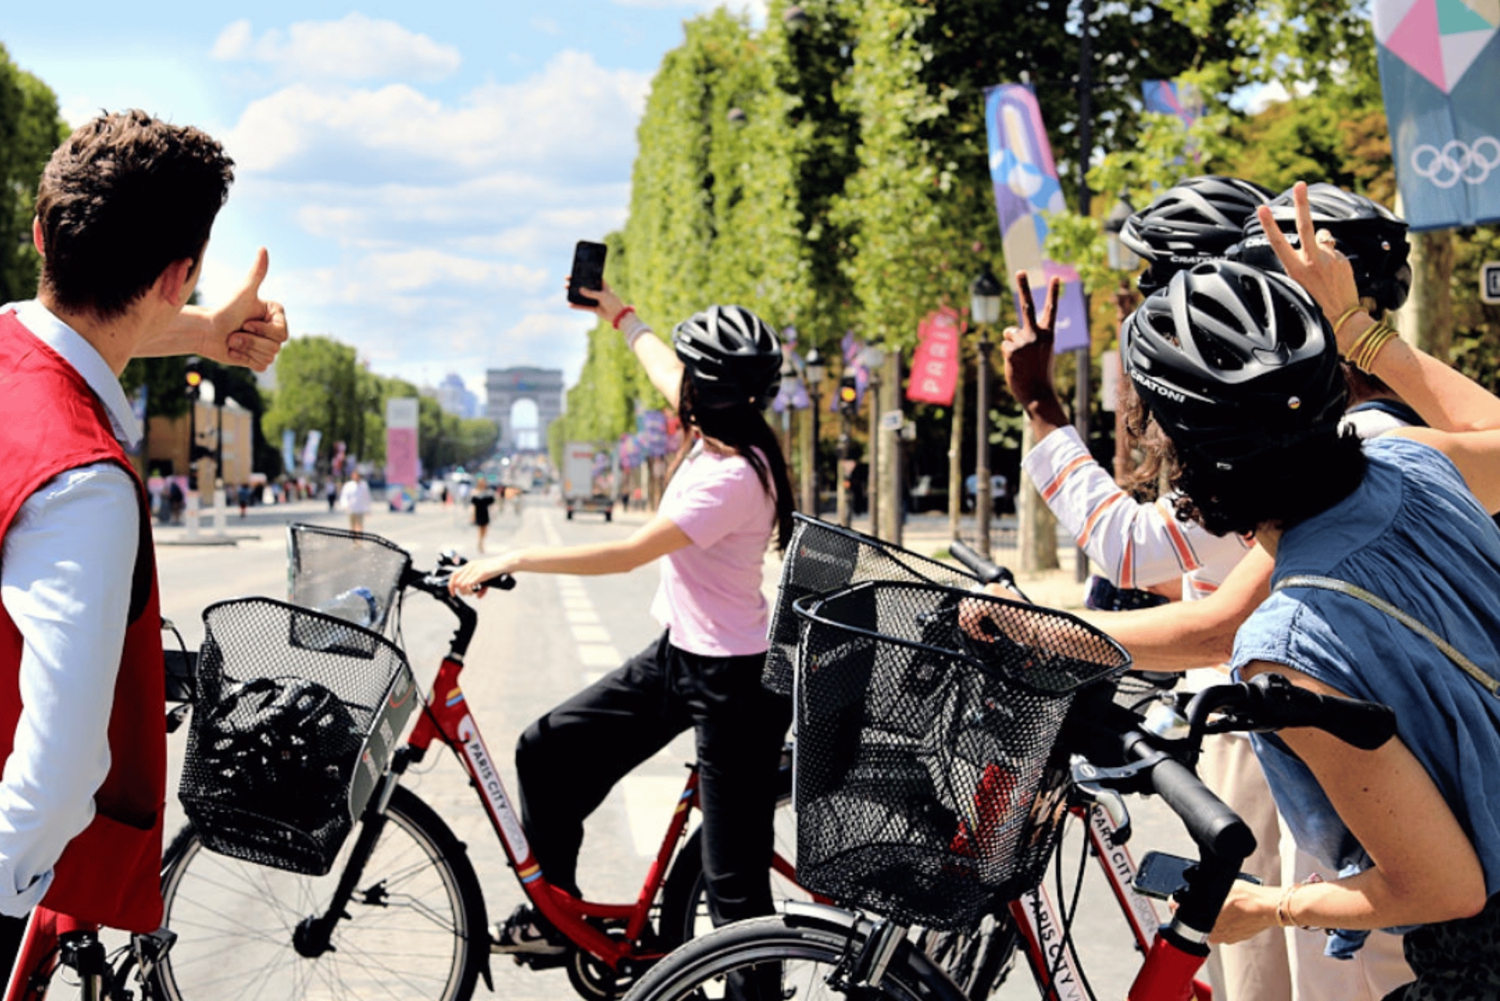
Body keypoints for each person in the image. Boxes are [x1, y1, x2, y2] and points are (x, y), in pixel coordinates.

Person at [1120, 182, 1500, 999]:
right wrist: (1362, 331)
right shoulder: (1412, 465)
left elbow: (1446, 887)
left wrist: (1269, 905)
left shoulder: (1286, 646)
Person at [0, 110, 287, 980]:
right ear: (181, 272)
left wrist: (206, 330)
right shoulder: (84, 482)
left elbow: (94, 320)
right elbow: (61, 769)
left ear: (43, 232)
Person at [448, 282, 795, 966]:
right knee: (545, 750)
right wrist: (619, 314)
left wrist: (511, 555)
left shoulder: (726, 478)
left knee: (734, 896)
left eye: (691, 378)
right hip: (681, 656)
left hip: (734, 685)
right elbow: (665, 366)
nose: (680, 385)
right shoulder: (725, 425)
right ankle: (558, 912)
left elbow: (624, 554)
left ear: (708, 392)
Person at [338, 469, 371, 533]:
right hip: (351, 509)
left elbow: (367, 497)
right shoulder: (348, 485)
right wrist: (345, 505)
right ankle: (354, 540)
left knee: (359, 527)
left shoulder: (364, 485)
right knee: (352, 527)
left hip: (360, 509)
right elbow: (344, 496)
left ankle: (358, 541)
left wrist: (368, 508)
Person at [471, 477, 496, 553]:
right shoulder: (475, 492)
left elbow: (491, 503)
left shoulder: (488, 492)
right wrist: (473, 515)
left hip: (485, 512)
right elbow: (474, 505)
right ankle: (480, 542)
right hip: (479, 512)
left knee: (485, 529)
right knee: (480, 528)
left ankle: (481, 541)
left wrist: (493, 513)